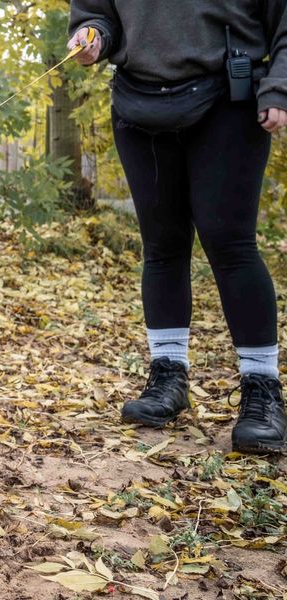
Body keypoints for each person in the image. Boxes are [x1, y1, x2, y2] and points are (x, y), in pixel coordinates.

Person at [68, 1, 287, 453]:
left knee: (230, 244)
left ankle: (261, 390)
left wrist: (279, 87)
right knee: (162, 246)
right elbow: (96, 15)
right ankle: (168, 377)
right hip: (138, 102)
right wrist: (93, 37)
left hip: (229, 95)